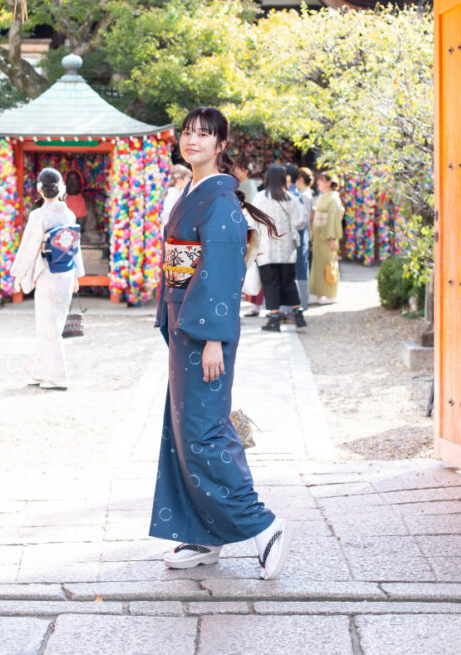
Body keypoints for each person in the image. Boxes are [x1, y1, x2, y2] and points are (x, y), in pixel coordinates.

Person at [151, 106, 293, 580]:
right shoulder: (194, 190)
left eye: (203, 135)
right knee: (183, 429)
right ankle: (204, 533)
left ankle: (263, 525)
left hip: (204, 332)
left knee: (205, 431)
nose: (192, 141)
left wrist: (213, 337)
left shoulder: (220, 201)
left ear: (221, 145)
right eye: (187, 133)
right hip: (184, 324)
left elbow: (223, 269)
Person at [11, 168, 85, 390]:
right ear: (62, 187)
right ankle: (39, 371)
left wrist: (19, 274)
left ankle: (57, 377)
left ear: (40, 190)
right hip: (64, 272)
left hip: (47, 274)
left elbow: (29, 248)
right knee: (51, 324)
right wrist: (76, 275)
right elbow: (74, 248)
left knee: (49, 326)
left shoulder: (39, 216)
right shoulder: (68, 214)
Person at [252, 165, 307, 332]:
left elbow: (252, 222)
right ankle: (298, 314)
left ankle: (274, 319)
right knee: (289, 281)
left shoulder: (260, 198)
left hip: (266, 247)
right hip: (286, 248)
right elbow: (300, 222)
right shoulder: (290, 198)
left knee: (270, 283)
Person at [309, 171, 344, 305]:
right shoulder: (323, 197)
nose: (318, 183)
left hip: (327, 235)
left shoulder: (334, 198)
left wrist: (332, 237)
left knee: (328, 264)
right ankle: (320, 292)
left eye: (321, 180)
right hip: (319, 234)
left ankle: (330, 294)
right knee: (319, 264)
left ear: (329, 183)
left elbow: (334, 220)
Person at [294, 167, 314, 310]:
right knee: (302, 267)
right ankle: (303, 302)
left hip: (304, 233)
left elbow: (306, 219)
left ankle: (304, 302)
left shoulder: (305, 196)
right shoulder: (306, 194)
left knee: (302, 267)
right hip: (305, 233)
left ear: (300, 179)